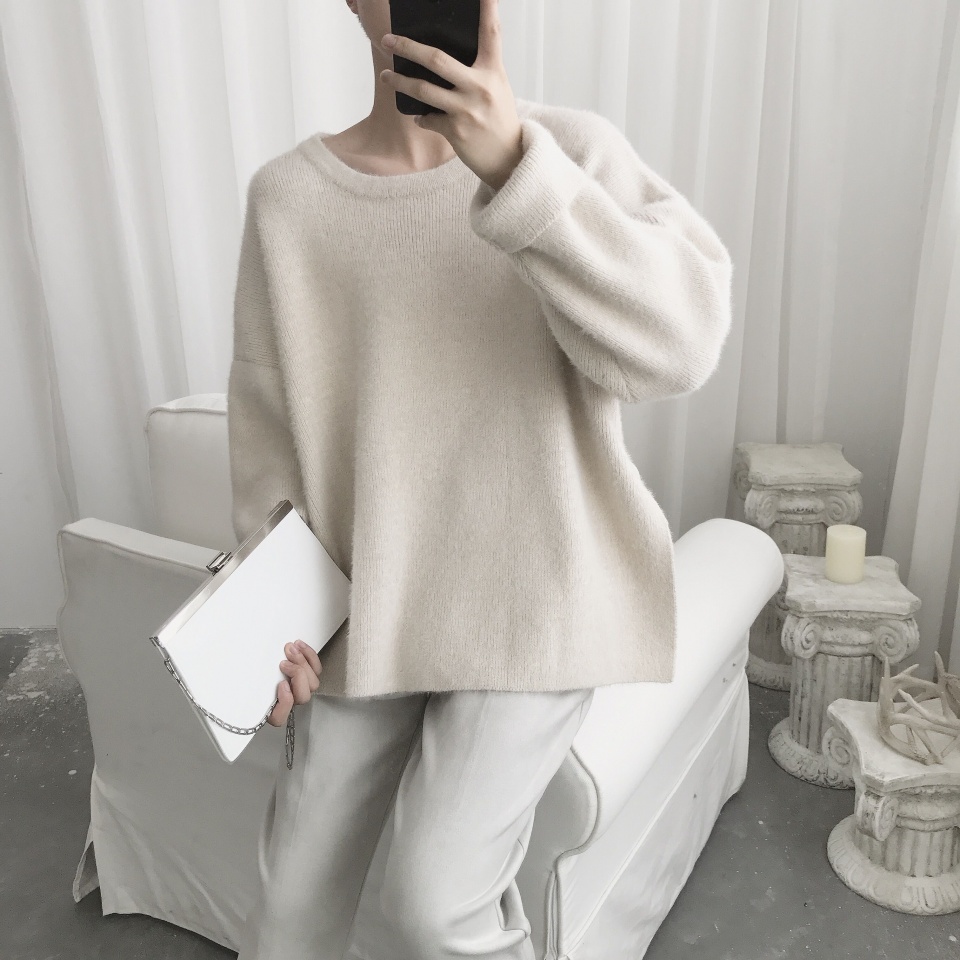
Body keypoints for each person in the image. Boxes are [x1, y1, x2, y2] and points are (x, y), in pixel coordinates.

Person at [229, 0, 733, 957]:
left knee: (433, 905)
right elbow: (268, 436)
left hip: (536, 603)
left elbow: (681, 348)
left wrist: (514, 171)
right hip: (370, 608)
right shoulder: (287, 201)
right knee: (287, 913)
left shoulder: (570, 153)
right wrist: (268, 617)